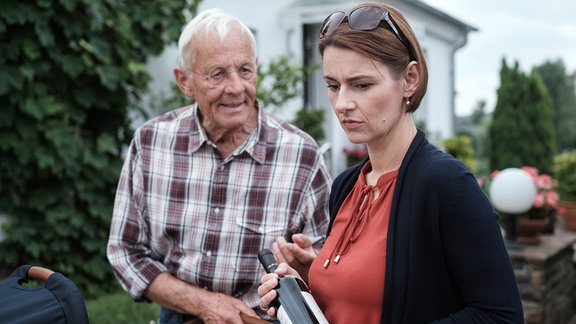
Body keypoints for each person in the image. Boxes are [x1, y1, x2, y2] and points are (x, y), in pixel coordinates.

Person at [258, 2, 524, 323]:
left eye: (362, 85)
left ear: (409, 79)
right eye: (332, 85)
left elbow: (500, 316)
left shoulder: (446, 185)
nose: (342, 103)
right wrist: (310, 283)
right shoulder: (346, 186)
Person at [106, 8, 332, 324]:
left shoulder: (301, 155)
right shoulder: (151, 143)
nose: (236, 88)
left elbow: (328, 271)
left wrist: (308, 265)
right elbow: (125, 251)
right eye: (218, 74)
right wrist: (204, 304)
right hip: (180, 317)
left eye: (244, 70)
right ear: (184, 81)